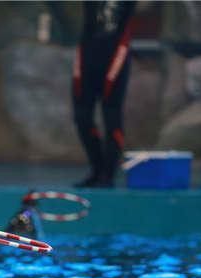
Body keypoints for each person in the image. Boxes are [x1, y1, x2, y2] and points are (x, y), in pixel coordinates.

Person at [72, 1, 136, 188]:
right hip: (88, 49)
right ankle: (97, 169)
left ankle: (108, 175)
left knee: (111, 115)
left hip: (116, 51)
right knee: (82, 115)